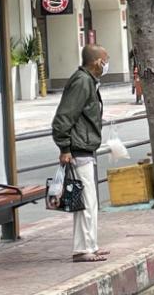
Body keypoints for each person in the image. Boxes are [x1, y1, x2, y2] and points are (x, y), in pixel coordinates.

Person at [52, 44, 109, 263]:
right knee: (86, 201)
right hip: (78, 149)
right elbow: (63, 118)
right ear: (97, 62)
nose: (107, 63)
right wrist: (65, 147)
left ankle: (89, 245)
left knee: (87, 201)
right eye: (106, 59)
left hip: (84, 148)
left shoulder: (88, 81)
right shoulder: (82, 82)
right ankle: (84, 248)